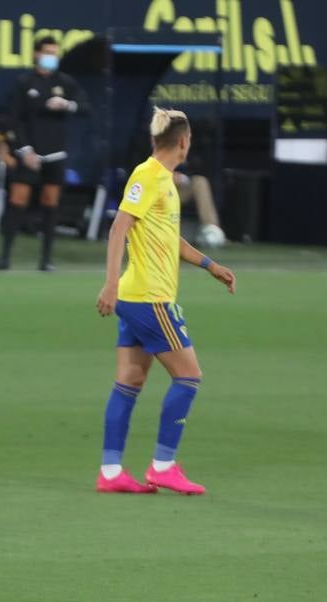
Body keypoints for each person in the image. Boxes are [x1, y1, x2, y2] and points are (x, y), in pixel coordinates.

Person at [95, 108, 237, 495]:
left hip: (137, 295)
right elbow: (118, 227)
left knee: (130, 380)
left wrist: (209, 264)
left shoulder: (165, 181)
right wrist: (110, 284)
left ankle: (110, 473)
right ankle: (163, 465)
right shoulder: (148, 176)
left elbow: (167, 238)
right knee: (189, 376)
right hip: (148, 298)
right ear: (184, 142)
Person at [0, 36, 80, 272]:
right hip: (28, 153)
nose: (52, 57)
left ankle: (46, 259)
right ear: (36, 55)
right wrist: (25, 150)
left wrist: (67, 105)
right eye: (48, 52)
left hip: (55, 154)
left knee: (51, 202)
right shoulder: (23, 83)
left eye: (55, 53)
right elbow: (14, 119)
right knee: (18, 200)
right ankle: (4, 257)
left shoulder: (66, 82)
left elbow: (85, 107)